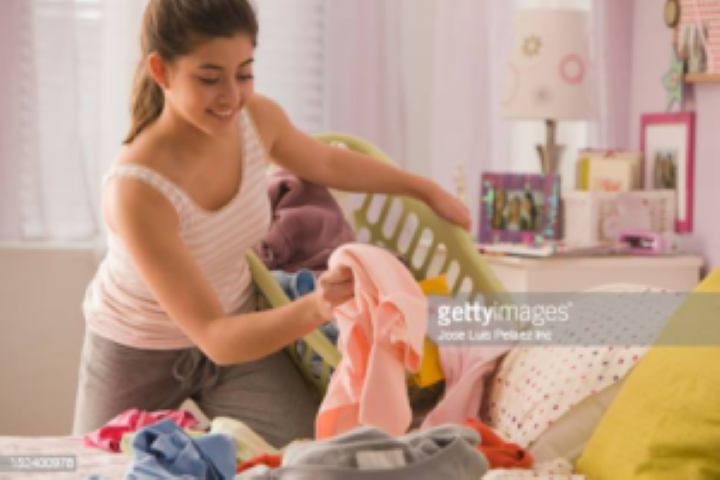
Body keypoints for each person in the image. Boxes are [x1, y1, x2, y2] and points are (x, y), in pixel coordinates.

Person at [72, 0, 470, 447]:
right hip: (136, 348)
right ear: (161, 72)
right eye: (209, 78)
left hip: (241, 334)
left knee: (301, 455)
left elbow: (326, 163)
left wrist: (423, 189)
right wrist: (318, 306)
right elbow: (214, 336)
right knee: (96, 465)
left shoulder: (256, 120)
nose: (231, 96)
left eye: (243, 73)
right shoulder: (137, 190)